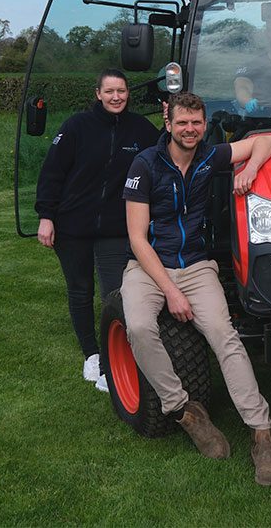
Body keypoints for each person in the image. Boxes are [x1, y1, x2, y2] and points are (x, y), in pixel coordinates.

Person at [120, 92, 271, 486]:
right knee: (140, 328)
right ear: (169, 123)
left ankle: (261, 433)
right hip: (147, 266)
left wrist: (251, 168)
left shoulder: (210, 156)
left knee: (224, 336)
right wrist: (171, 292)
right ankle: (185, 412)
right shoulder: (144, 165)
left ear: (203, 123)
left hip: (195, 265)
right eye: (183, 123)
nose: (190, 130)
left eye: (196, 122)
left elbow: (267, 141)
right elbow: (137, 239)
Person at [35, 68, 160, 392]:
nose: (116, 97)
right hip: (72, 224)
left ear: (127, 93)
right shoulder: (76, 127)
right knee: (79, 290)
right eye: (109, 92)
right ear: (98, 94)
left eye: (121, 91)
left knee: (114, 295)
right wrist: (46, 216)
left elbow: (163, 158)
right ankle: (91, 354)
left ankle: (111, 360)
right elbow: (52, 174)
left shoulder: (141, 130)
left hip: (116, 229)